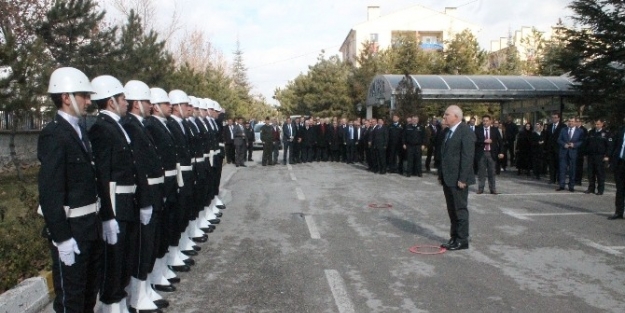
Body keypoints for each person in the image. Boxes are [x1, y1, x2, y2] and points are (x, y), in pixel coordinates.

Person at [38, 67, 103, 313]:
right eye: (83, 95)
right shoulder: (54, 135)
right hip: (72, 232)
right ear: (66, 98)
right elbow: (50, 192)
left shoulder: (80, 131)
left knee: (88, 295)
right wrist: (62, 238)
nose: (88, 101)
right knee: (71, 301)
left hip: (90, 228)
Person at [88, 75, 138, 312]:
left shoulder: (115, 126)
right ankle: (111, 305)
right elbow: (104, 176)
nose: (127, 103)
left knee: (124, 257)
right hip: (116, 203)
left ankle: (119, 303)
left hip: (126, 201)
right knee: (114, 260)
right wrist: (109, 215)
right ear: (111, 102)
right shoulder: (101, 129)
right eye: (122, 99)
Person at [121, 80, 168, 312]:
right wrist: (146, 199)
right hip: (142, 195)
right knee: (142, 248)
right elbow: (139, 167)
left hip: (151, 191)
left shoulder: (139, 125)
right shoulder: (132, 126)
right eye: (147, 101)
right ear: (136, 102)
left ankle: (144, 290)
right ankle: (136, 297)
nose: (151, 105)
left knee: (149, 245)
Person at [439, 105, 475, 251]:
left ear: (456, 116)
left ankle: (462, 240)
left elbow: (467, 157)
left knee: (460, 209)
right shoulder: (448, 131)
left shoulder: (465, 131)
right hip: (448, 178)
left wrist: (463, 178)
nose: (444, 117)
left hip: (459, 179)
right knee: (451, 209)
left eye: (447, 115)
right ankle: (454, 237)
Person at [475, 115, 503, 194]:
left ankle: (492, 189)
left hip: (492, 153)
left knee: (492, 172)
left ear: (490, 121)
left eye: (487, 121)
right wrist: (484, 141)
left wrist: (501, 152)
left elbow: (500, 142)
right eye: (484, 121)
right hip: (482, 153)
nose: (485, 122)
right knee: (481, 172)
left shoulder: (495, 130)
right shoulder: (478, 130)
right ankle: (480, 188)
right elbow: (475, 141)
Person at [556, 117, 585, 192]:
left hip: (573, 152)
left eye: (572, 121)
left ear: (575, 122)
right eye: (569, 121)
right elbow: (559, 139)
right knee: (562, 170)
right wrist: (564, 144)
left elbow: (582, 141)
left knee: (572, 170)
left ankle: (571, 186)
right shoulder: (563, 130)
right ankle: (561, 185)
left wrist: (574, 145)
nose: (570, 122)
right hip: (564, 152)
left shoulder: (580, 131)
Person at [584, 119, 611, 195]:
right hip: (591, 156)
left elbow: (609, 146)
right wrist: (586, 153)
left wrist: (607, 156)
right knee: (590, 173)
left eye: (598, 124)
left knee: (600, 173)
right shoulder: (591, 132)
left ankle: (600, 190)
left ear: (602, 124)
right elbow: (587, 144)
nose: (596, 126)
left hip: (600, 156)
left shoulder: (606, 134)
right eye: (595, 124)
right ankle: (591, 188)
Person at [608, 125, 625, 219]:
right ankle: (619, 212)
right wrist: (611, 160)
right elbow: (614, 145)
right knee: (620, 189)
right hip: (620, 162)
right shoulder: (621, 130)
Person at [546, 113, 566, 184]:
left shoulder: (563, 126)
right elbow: (547, 137)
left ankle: (559, 179)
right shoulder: (549, 126)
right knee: (551, 165)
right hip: (551, 149)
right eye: (552, 117)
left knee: (559, 165)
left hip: (559, 149)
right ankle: (552, 179)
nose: (553, 119)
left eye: (555, 117)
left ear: (558, 118)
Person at [575, 117, 588, 185]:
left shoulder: (584, 130)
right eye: (576, 121)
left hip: (580, 151)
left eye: (578, 121)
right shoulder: (574, 129)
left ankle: (578, 180)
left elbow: (584, 141)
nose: (576, 123)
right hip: (574, 150)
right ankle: (574, 179)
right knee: (574, 165)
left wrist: (584, 153)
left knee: (579, 166)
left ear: (580, 122)